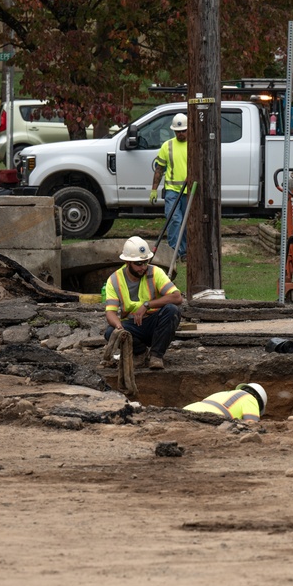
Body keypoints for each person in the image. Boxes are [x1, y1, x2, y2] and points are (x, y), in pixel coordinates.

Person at [103, 236, 184, 369]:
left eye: (145, 262)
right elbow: (110, 313)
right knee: (110, 332)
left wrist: (147, 305)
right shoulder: (114, 280)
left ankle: (156, 356)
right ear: (128, 262)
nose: (143, 267)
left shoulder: (155, 272)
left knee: (172, 310)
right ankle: (139, 353)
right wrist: (119, 328)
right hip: (133, 327)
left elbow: (177, 298)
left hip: (154, 324)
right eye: (138, 264)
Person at [150, 113, 190, 261]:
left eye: (183, 131)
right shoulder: (167, 146)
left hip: (189, 191)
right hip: (172, 191)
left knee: (186, 223)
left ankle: (184, 251)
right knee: (174, 220)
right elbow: (159, 169)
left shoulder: (194, 145)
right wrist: (154, 189)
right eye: (177, 131)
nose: (180, 134)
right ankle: (174, 251)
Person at [182, 383, 267, 423]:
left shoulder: (223, 394)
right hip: (210, 417)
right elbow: (252, 424)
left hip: (184, 411)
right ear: (258, 400)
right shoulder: (251, 398)